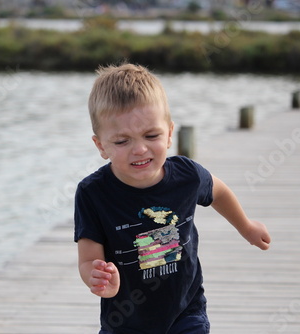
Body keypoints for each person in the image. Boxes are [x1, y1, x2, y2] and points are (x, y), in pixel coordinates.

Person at [74, 63, 271, 334]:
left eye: (151, 135)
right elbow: (87, 258)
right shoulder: (92, 193)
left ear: (169, 133)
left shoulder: (187, 176)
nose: (140, 149)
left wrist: (245, 226)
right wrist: (95, 277)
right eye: (122, 141)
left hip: (185, 311)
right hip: (125, 321)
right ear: (101, 146)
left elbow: (219, 191)